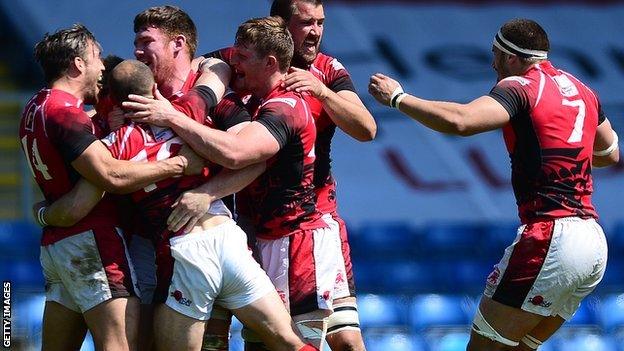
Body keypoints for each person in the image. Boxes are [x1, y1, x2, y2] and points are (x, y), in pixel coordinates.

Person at [368, 18, 619, 351]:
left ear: (512, 58)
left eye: (495, 54)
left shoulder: (520, 87)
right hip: (592, 242)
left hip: (552, 237)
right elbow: (609, 152)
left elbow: (461, 121)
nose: (492, 63)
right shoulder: (583, 90)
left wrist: (398, 98)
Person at [39, 59, 319, 351]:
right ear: (153, 88)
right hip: (228, 238)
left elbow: (83, 199)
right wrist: (207, 60)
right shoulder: (187, 111)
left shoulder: (114, 145)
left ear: (113, 98)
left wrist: (44, 213)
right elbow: (215, 77)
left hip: (187, 251)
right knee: (289, 342)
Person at [123, 16, 344, 349]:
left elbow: (241, 155)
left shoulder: (283, 106)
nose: (232, 62)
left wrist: (173, 123)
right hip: (252, 239)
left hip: (294, 240)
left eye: (241, 57)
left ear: (269, 63)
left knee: (299, 342)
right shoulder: (245, 98)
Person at [20, 24, 202, 351]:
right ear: (78, 64)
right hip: (92, 240)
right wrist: (177, 164)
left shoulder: (35, 106)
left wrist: (47, 214)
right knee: (119, 346)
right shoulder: (63, 111)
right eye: (96, 56)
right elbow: (111, 176)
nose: (102, 66)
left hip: (58, 246)